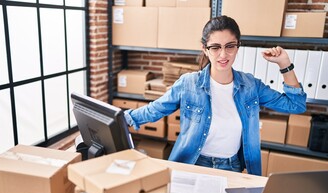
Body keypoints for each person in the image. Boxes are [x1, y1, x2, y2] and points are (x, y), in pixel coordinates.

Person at [124, 15, 307, 176]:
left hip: (232, 168)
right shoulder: (188, 84)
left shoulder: (251, 86)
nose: (223, 54)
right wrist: (119, 118)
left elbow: (295, 105)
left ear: (238, 47)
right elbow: (153, 110)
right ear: (205, 49)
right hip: (192, 164)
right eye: (215, 47)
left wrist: (284, 64)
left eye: (230, 46)